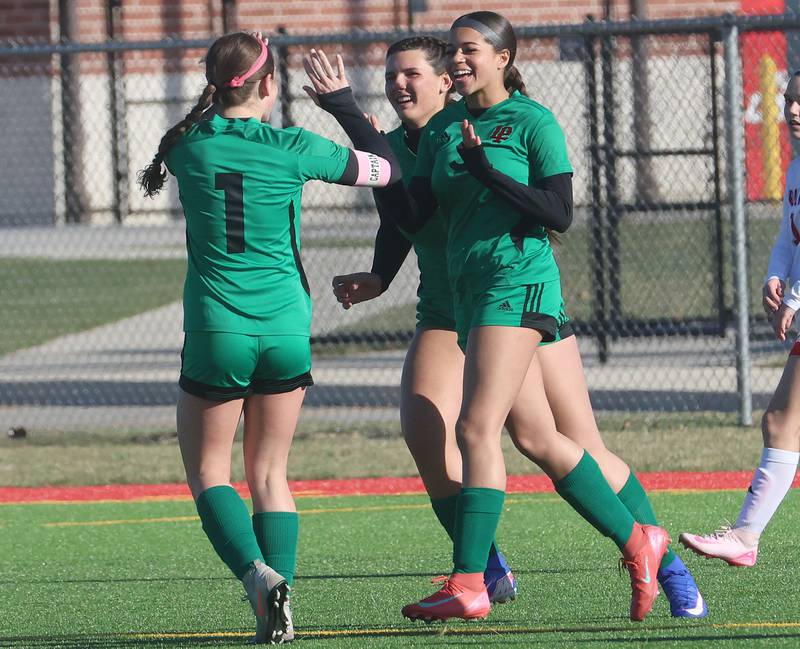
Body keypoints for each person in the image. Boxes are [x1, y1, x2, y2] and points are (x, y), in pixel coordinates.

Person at [332, 34, 706, 619]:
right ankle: (485, 568)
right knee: (432, 432)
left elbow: (551, 209)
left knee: (563, 441)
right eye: (390, 75)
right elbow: (406, 221)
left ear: (445, 81)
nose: (398, 85)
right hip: (451, 302)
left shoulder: (497, 124)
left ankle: (666, 566)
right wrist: (379, 275)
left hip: (516, 297)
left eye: (411, 74)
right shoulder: (415, 143)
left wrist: (379, 139)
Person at [137, 32, 400, 644]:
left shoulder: (187, 148)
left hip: (217, 328)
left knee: (209, 472)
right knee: (271, 474)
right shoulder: (294, 146)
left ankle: (258, 579)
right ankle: (280, 607)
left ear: (213, 83)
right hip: (287, 327)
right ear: (270, 87)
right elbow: (386, 170)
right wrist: (344, 106)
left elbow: (186, 138)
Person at [680, 71, 800, 567]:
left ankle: (746, 537)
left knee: (780, 421)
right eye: (791, 100)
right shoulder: (796, 167)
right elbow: (788, 238)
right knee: (780, 422)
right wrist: (777, 276)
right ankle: (745, 537)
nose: (794, 110)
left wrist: (795, 298)